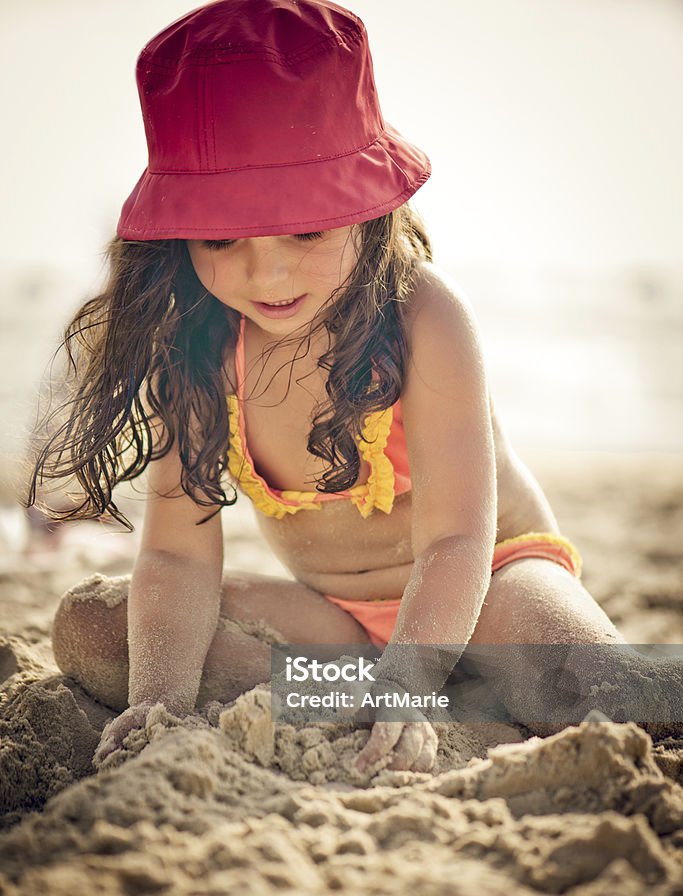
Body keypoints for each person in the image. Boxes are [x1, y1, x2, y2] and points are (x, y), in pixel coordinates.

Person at [26, 0, 681, 774]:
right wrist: (159, 700)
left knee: (592, 687)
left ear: (368, 212)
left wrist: (411, 682)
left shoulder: (421, 318)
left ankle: (438, 688)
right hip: (339, 624)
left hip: (487, 582)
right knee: (97, 631)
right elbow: (175, 556)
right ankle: (411, 693)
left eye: (305, 230)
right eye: (221, 236)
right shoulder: (197, 348)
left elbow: (454, 539)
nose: (265, 272)